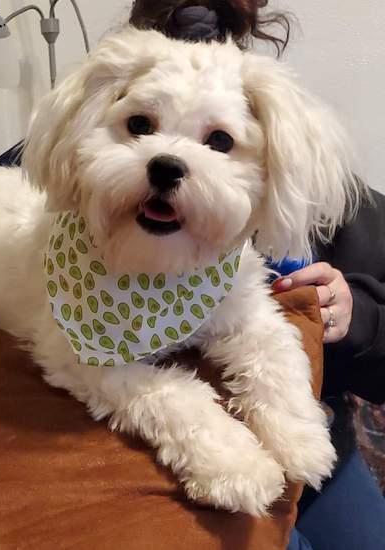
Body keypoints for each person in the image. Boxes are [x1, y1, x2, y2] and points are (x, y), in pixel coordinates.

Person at [128, 2, 385, 549]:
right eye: (141, 126)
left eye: (218, 141)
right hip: (155, 449)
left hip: (307, 430)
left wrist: (355, 314)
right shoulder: (90, 134)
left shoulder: (309, 172)